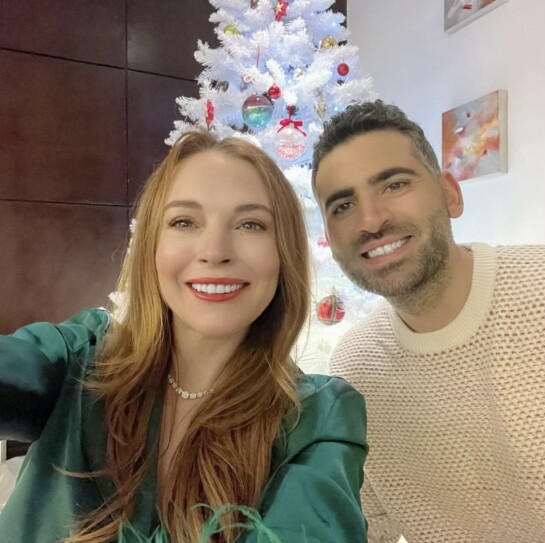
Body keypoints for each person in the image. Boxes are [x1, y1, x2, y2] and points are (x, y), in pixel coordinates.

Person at [0, 130, 368, 543]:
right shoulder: (80, 357)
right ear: (152, 246)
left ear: (285, 252)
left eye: (250, 224)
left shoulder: (318, 417)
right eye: (184, 222)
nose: (214, 251)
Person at [311, 100, 545, 543]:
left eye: (394, 185)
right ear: (330, 240)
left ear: (450, 194)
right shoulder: (355, 368)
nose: (371, 220)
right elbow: (369, 528)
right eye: (343, 206)